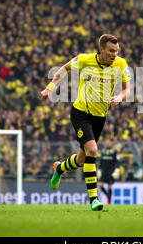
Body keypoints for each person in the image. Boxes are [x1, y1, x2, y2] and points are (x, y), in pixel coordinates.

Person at [40, 34, 131, 211]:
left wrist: (120, 97)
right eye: (111, 51)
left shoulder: (121, 64)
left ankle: (59, 169)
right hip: (81, 113)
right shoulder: (84, 59)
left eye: (117, 51)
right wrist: (49, 88)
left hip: (100, 117)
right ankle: (94, 200)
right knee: (92, 150)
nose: (115, 54)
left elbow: (128, 89)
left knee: (82, 160)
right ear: (102, 49)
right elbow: (63, 69)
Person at [98, 139, 119, 204]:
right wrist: (99, 169)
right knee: (100, 185)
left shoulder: (114, 151)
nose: (107, 144)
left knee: (109, 185)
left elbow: (117, 161)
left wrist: (117, 169)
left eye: (109, 142)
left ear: (111, 143)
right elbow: (101, 161)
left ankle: (109, 202)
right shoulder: (103, 151)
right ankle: (108, 195)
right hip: (104, 171)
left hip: (111, 171)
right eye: (106, 142)